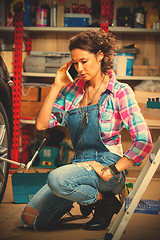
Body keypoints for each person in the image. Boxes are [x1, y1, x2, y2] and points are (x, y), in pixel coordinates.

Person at [21, 29, 153, 231]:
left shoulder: (119, 92)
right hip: (80, 167)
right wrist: (56, 85)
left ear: (100, 56)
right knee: (30, 218)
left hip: (108, 169)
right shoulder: (72, 91)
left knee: (56, 179)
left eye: (84, 61)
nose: (79, 68)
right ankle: (101, 200)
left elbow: (144, 141)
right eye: (75, 63)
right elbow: (41, 124)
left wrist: (113, 170)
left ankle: (98, 198)